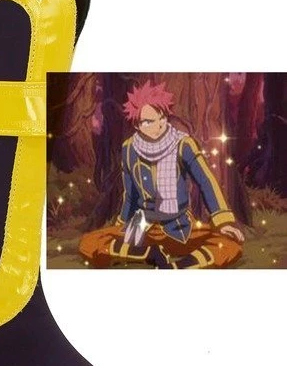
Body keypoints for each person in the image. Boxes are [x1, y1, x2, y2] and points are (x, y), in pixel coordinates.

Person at [79, 80, 245, 268]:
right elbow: (130, 196)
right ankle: (149, 254)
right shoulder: (129, 148)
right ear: (137, 124)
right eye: (149, 121)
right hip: (142, 227)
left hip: (179, 227)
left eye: (162, 118)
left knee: (229, 244)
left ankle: (179, 266)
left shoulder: (183, 144)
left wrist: (223, 221)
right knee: (89, 242)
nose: (158, 126)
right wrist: (121, 226)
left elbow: (206, 182)